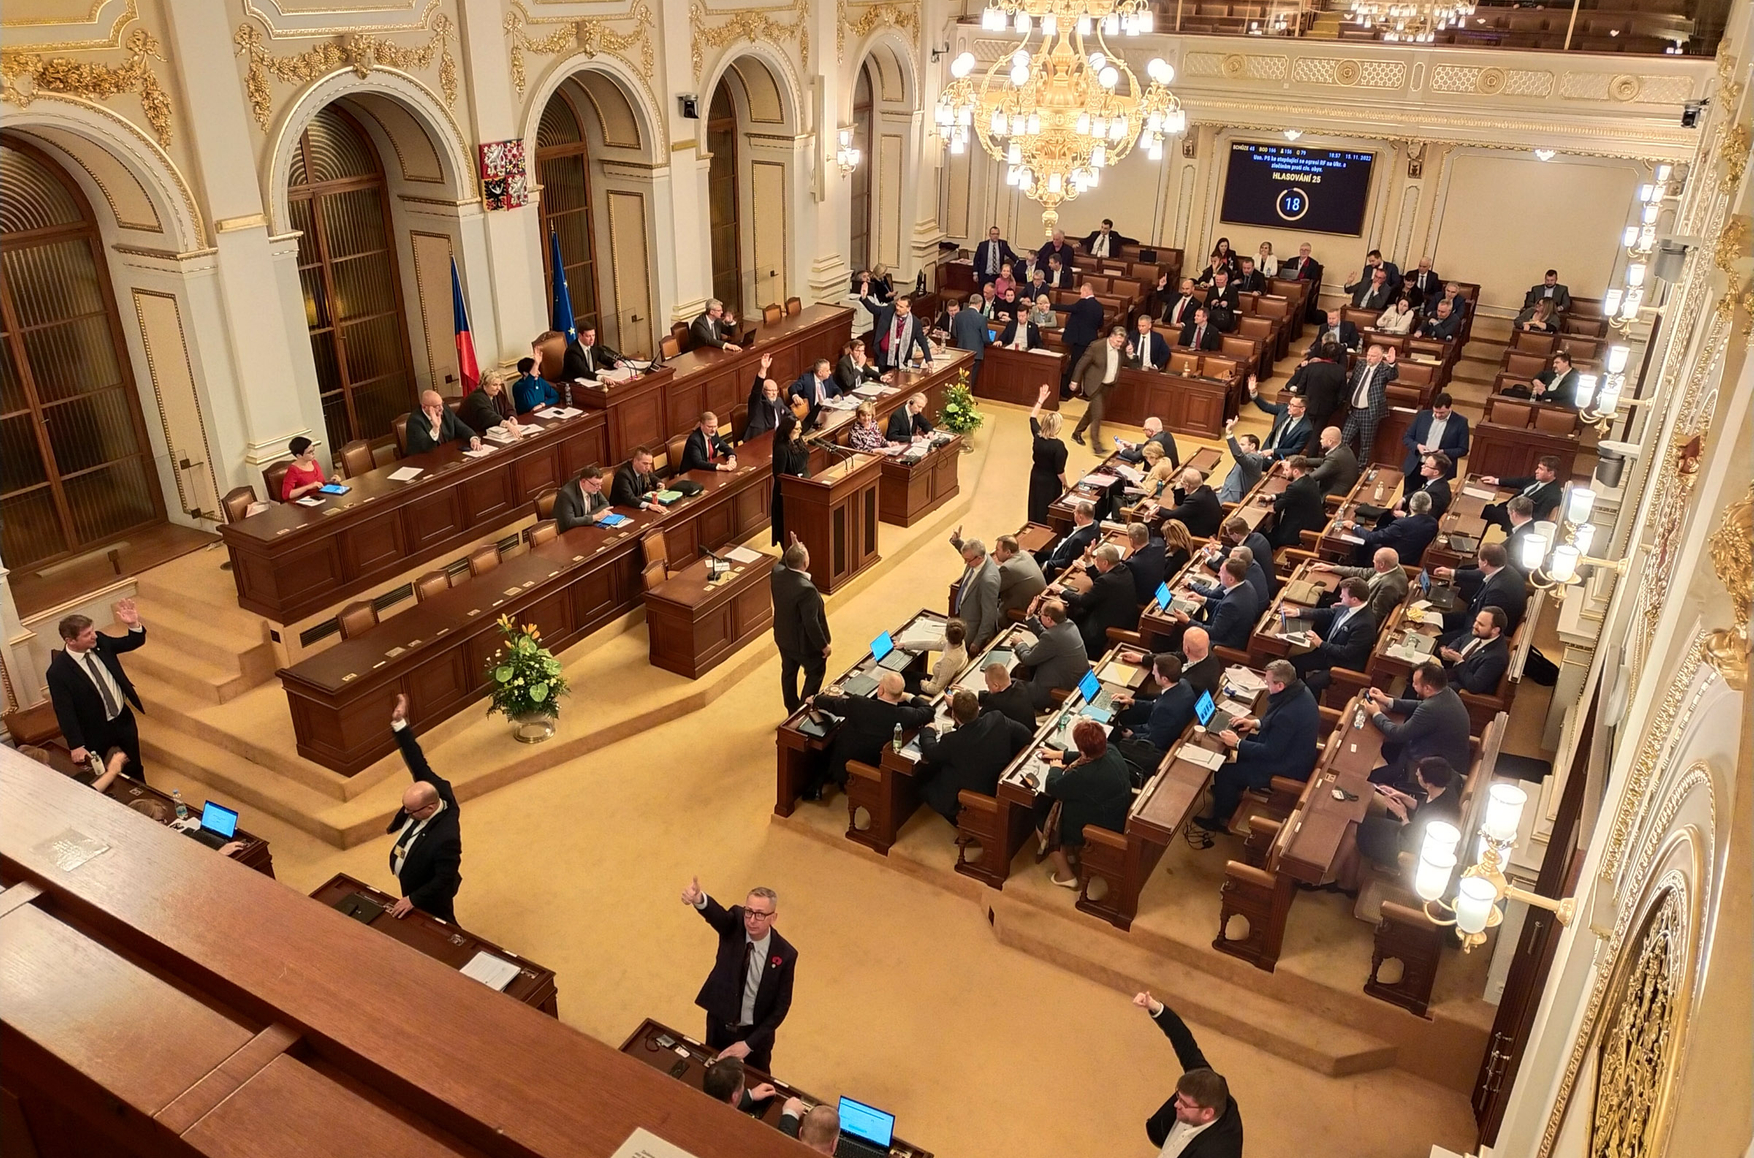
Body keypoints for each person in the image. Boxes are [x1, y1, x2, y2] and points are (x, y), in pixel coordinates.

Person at [679, 876, 796, 1072]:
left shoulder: (785, 954)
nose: (751, 920)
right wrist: (699, 898)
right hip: (719, 1025)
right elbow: (717, 916)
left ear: (773, 918)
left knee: (756, 1079)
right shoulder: (735, 924)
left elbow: (781, 1006)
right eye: (748, 911)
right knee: (714, 1074)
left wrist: (748, 1044)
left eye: (760, 914)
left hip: (754, 1036)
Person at [1193, 659, 1320, 832]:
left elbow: (1271, 752)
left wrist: (1237, 743)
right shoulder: (1300, 690)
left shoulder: (1289, 714)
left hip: (1285, 765)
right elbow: (1276, 720)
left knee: (1225, 772)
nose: (1266, 686)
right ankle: (1229, 794)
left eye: (1268, 683)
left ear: (1280, 685)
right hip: (1286, 749)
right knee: (1245, 743)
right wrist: (1254, 723)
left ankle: (1221, 820)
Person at [1331, 757, 1463, 897]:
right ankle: (1347, 881)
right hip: (1410, 832)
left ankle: (1340, 880)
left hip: (1407, 845)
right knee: (1357, 823)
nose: (1416, 774)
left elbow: (1414, 838)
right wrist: (1401, 795)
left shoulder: (1439, 814)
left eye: (1419, 775)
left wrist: (1402, 815)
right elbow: (1423, 807)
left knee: (1354, 828)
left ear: (1429, 784)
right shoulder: (1444, 789)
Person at [1134, 991, 1245, 1157]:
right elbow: (1183, 1041)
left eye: (1184, 1103)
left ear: (1207, 1113)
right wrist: (1154, 1006)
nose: (1176, 1105)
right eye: (1178, 1096)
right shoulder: (1206, 1082)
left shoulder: (1215, 1153)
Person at [384, 693, 462, 922]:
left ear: (429, 808)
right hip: (412, 876)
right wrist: (400, 723)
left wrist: (413, 899)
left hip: (430, 893)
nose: (406, 814)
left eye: (411, 811)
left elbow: (444, 878)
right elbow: (415, 758)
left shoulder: (447, 837)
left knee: (442, 923)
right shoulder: (433, 786)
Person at [48, 602, 147, 780]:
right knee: (100, 774)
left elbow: (132, 642)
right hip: (94, 730)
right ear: (70, 641)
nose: (94, 635)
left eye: (92, 630)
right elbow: (64, 710)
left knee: (135, 767)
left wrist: (133, 624)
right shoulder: (58, 672)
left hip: (123, 719)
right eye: (87, 634)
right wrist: (76, 744)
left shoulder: (100, 641)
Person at [1036, 719, 1131, 886]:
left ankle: (1066, 876)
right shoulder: (1111, 750)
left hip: (1099, 823)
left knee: (1043, 823)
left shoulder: (1085, 775)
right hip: (1114, 810)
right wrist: (1060, 755)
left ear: (1082, 748)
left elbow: (1053, 787)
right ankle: (1070, 854)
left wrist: (1055, 768)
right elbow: (1085, 755)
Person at [916, 689, 1033, 824]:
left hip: (972, 793)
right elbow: (1026, 735)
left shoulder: (952, 741)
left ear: (954, 715)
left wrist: (928, 731)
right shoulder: (997, 719)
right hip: (993, 778)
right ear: (978, 709)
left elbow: (931, 752)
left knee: (923, 785)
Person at [807, 672, 933, 793]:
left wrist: (815, 699)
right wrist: (907, 696)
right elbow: (928, 710)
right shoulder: (905, 715)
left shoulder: (859, 704)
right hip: (876, 760)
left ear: (880, 690)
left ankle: (819, 784)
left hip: (847, 761)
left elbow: (833, 705)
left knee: (830, 737)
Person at [1365, 662, 1472, 791]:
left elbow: (1398, 734)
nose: (1412, 686)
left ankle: (1397, 779)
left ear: (1427, 688)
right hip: (1430, 751)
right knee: (1388, 747)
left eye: (1415, 683)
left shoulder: (1431, 708)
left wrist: (1376, 714)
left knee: (1369, 778)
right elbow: (1420, 705)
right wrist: (1387, 701)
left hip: (1432, 770)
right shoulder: (1446, 693)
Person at [1286, 577, 1378, 691]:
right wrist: (1299, 612)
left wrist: (1320, 643)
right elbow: (1329, 613)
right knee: (1294, 663)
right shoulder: (1349, 606)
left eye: (1344, 596)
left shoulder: (1364, 625)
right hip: (1329, 652)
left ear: (1354, 599)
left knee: (1312, 683)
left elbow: (1347, 653)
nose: (1340, 596)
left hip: (1342, 663)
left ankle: (1307, 697)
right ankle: (1298, 692)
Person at [772, 540, 830, 712]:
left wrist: (793, 549)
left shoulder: (777, 573)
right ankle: (802, 712)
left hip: (783, 637)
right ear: (805, 563)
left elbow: (785, 562)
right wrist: (823, 645)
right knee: (815, 672)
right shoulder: (807, 590)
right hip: (804, 646)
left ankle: (791, 710)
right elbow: (811, 622)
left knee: (788, 672)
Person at [1110, 652, 1198, 764]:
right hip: (1163, 726)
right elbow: (1155, 704)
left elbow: (1155, 740)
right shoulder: (1183, 684)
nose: (1152, 673)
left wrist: (1132, 736)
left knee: (1114, 734)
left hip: (1157, 741)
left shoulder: (1165, 709)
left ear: (1164, 679)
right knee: (1126, 715)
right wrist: (1132, 701)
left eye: (1155, 672)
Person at [1056, 543, 1139, 654]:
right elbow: (1102, 579)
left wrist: (1062, 591)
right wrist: (1088, 561)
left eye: (1097, 560)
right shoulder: (1123, 569)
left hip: (1103, 628)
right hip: (1123, 618)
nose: (1096, 561)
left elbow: (1083, 601)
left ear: (1105, 563)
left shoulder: (1105, 581)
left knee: (1070, 620)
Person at [1435, 541, 1528, 632]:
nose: (1478, 561)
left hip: (1476, 628)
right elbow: (1480, 574)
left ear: (1485, 563)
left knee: (1438, 638)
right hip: (1472, 615)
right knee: (1437, 619)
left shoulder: (1497, 592)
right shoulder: (1503, 568)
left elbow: (1485, 624)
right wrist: (1451, 572)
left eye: (1479, 559)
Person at [1014, 598, 1090, 708]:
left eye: (1040, 613)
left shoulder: (1052, 637)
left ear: (1049, 619)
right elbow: (1048, 636)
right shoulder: (1070, 625)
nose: (1039, 615)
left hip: (1055, 690)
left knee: (1010, 686)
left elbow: (1028, 659)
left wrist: (1019, 643)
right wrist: (1030, 617)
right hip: (1072, 679)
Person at [1172, 557, 1259, 652]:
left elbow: (1213, 633)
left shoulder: (1232, 604)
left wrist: (1187, 620)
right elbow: (1222, 604)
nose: (1218, 574)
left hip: (1225, 643)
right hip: (1231, 632)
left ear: (1231, 579)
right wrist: (1202, 599)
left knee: (1185, 636)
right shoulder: (1246, 585)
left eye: (1222, 572)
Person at [1312, 547, 1408, 623]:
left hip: (1359, 612)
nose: (1373, 562)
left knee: (1324, 603)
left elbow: (1375, 615)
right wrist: (1332, 568)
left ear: (1382, 564)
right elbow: (1362, 572)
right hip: (1356, 598)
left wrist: (1349, 606)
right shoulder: (1392, 566)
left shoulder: (1389, 586)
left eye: (1374, 561)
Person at [1349, 489, 1439, 568]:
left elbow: (1372, 538)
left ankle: (1357, 566)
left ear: (1410, 505)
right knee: (1379, 528)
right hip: (1411, 556)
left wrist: (1354, 526)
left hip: (1392, 560)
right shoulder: (1433, 523)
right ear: (1430, 507)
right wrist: (1406, 516)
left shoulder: (1401, 525)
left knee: (1363, 544)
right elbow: (1416, 523)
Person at [1070, 327, 1128, 447]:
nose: (1120, 344)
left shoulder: (1121, 347)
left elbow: (1124, 361)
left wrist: (1131, 354)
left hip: (1108, 385)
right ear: (1111, 337)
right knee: (1098, 414)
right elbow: (1081, 364)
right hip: (1094, 384)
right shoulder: (1096, 346)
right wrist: (1075, 380)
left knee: (1091, 412)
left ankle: (1076, 433)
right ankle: (1096, 445)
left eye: (1121, 342)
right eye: (1118, 341)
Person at [948, 533, 1003, 650]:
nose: (965, 563)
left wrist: (978, 641)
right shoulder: (980, 556)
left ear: (979, 558)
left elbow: (989, 615)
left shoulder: (988, 580)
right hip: (962, 617)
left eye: (967, 560)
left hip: (972, 631)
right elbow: (969, 552)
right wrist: (957, 542)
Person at [1439, 606, 1511, 694]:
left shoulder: (1496, 658)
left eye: (1481, 624)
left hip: (1458, 686)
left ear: (1495, 630)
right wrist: (1450, 650)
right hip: (1449, 670)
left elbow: (1474, 685)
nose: (1475, 625)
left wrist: (1459, 661)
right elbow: (1460, 640)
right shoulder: (1480, 633)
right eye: (1476, 620)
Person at [1339, 345, 1393, 460]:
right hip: (1353, 410)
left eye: (1373, 356)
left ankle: (1361, 467)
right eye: (1368, 355)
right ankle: (1342, 463)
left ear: (1380, 358)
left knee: (1365, 445)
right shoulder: (1360, 364)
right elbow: (1352, 383)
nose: (1369, 358)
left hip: (1369, 412)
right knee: (1344, 439)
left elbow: (1393, 375)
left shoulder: (1383, 369)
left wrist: (1392, 363)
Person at [1286, 343, 1347, 445]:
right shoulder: (1340, 371)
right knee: (1316, 436)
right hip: (1326, 409)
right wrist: (1333, 407)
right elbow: (1342, 395)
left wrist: (1302, 404)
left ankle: (1292, 452)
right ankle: (1311, 454)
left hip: (1308, 405)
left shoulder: (1311, 367)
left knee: (1299, 432)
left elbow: (1301, 388)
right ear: (1337, 356)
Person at [1400, 394, 1470, 482]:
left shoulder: (1460, 422)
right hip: (1416, 465)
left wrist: (1443, 452)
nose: (1437, 415)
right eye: (1435, 412)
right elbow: (1407, 437)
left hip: (1439, 470)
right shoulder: (1423, 416)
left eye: (1441, 413)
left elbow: (1463, 449)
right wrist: (1418, 446)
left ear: (1449, 408)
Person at [1481, 456, 1564, 526]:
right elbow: (1519, 481)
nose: (1536, 471)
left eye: (1541, 469)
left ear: (1550, 473)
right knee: (1484, 507)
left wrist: (1517, 516)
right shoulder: (1537, 479)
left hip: (1516, 518)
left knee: (1484, 509)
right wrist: (1496, 481)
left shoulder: (1552, 495)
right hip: (1507, 508)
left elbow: (1539, 517)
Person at [1027, 388, 1070, 524]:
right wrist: (1066, 484)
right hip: (1050, 482)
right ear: (1057, 428)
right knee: (1047, 509)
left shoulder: (1037, 436)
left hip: (1036, 476)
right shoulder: (1058, 446)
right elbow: (1059, 471)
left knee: (1035, 505)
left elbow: (1032, 417)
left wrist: (1041, 400)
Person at [1267, 456, 1326, 551]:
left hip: (1302, 529)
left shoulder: (1295, 488)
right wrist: (1273, 496)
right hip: (1314, 522)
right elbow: (1288, 495)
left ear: (1295, 472)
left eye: (1286, 470)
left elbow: (1277, 506)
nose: (1284, 472)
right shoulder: (1309, 480)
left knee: (1271, 538)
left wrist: (1272, 501)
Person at [770, 414, 810, 546]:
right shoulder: (781, 449)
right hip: (786, 494)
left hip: (802, 488)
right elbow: (778, 475)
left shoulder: (797, 441)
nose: (800, 431)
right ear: (788, 430)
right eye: (797, 429)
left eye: (800, 428)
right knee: (787, 526)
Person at [1060, 284, 1106, 395]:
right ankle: (1086, 391)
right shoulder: (1099, 306)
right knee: (1088, 366)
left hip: (1080, 341)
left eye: (1081, 293)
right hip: (1092, 340)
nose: (1080, 295)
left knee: (1075, 365)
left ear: (1085, 291)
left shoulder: (1082, 303)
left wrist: (1050, 306)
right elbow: (1100, 324)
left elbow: (1068, 308)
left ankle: (1066, 391)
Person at [867, 295, 933, 370]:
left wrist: (929, 359)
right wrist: (864, 298)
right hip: (884, 356)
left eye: (901, 307)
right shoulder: (889, 310)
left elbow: (922, 341)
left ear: (908, 309)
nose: (897, 308)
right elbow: (875, 309)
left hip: (902, 359)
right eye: (897, 305)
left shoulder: (915, 323)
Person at [405, 390, 480, 455]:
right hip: (424, 460)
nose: (441, 408)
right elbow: (425, 447)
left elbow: (461, 427)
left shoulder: (445, 410)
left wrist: (473, 439)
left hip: (447, 454)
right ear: (424, 407)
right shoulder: (415, 421)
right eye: (437, 406)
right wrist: (435, 428)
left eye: (442, 404)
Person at [1249, 386, 1312, 462]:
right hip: (1265, 452)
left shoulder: (1306, 429)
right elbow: (1266, 407)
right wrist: (1253, 392)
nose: (1288, 407)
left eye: (1292, 405)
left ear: (1302, 409)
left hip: (1281, 460)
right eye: (1289, 404)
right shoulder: (1284, 410)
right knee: (1245, 461)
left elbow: (1295, 450)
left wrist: (1273, 451)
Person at [1042, 499, 1100, 578]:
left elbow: (1066, 562)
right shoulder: (1095, 524)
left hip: (1055, 561)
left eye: (1075, 512)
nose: (1073, 513)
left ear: (1080, 517)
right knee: (1038, 555)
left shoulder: (1078, 540)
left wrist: (1047, 564)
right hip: (1058, 552)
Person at [1390, 452, 1453, 521]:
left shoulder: (1436, 493)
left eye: (1426, 465)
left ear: (1435, 472)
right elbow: (1421, 490)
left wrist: (1404, 515)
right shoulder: (1438, 482)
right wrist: (1403, 499)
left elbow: (1426, 519)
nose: (1422, 466)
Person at [994, 533, 1048, 613]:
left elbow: (992, 588)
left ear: (1008, 552)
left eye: (997, 549)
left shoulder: (1008, 568)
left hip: (1019, 610)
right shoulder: (1024, 554)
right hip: (1037, 602)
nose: (995, 552)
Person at [1161, 467, 1222, 537]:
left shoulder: (1195, 499)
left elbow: (1172, 515)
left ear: (1187, 486)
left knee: (1165, 523)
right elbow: (1179, 502)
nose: (1180, 483)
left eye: (1181, 483)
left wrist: (1156, 507)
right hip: (1210, 527)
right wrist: (1179, 487)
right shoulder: (1206, 489)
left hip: (1199, 534)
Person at [1217, 422, 1267, 504]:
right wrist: (1222, 486)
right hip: (1227, 491)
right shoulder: (1250, 458)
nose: (1239, 447)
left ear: (1252, 446)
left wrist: (1229, 434)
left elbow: (1238, 455)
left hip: (1232, 498)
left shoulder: (1255, 460)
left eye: (1242, 444)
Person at [919, 619, 971, 697]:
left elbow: (938, 690)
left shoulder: (949, 660)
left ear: (946, 635)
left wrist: (924, 684)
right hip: (938, 680)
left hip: (936, 689)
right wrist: (905, 644)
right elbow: (934, 644)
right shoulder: (961, 643)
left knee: (907, 678)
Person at [978, 662, 1037, 728]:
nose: (988, 687)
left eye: (988, 684)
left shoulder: (995, 703)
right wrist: (977, 695)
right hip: (1031, 728)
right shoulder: (1018, 684)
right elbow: (994, 695)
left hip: (1019, 734)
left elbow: (976, 719)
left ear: (996, 685)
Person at [1122, 521, 1168, 605]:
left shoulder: (1132, 564)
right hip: (1159, 591)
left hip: (1144, 600)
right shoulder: (1160, 546)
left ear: (1131, 541)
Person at [460, 371, 518, 437]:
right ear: (484, 385)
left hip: (494, 433)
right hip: (472, 435)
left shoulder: (498, 394)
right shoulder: (476, 398)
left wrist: (511, 417)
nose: (498, 388)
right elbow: (488, 415)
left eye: (499, 385)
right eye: (494, 385)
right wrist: (506, 423)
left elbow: (508, 408)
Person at [553, 464, 610, 531]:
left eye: (600, 484)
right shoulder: (567, 494)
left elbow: (605, 504)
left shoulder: (593, 487)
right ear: (583, 482)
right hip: (570, 532)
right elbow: (570, 522)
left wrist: (590, 517)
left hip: (586, 527)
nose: (599, 488)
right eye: (596, 484)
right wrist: (594, 517)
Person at [945, 297, 990, 380]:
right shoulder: (982, 318)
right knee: (971, 379)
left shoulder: (958, 315)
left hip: (961, 352)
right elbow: (985, 339)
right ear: (980, 304)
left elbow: (954, 333)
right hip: (975, 354)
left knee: (960, 378)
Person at [744, 361, 789, 440]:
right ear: (763, 391)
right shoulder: (757, 402)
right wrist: (763, 370)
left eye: (775, 391)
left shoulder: (778, 400)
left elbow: (789, 413)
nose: (774, 393)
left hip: (776, 437)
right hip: (758, 438)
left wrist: (795, 421)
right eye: (771, 391)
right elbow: (756, 390)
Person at [788, 358, 839, 425]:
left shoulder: (828, 378)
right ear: (820, 373)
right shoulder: (806, 379)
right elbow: (792, 387)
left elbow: (836, 389)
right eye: (827, 370)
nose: (830, 372)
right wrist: (795, 396)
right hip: (812, 416)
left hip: (827, 412)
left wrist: (838, 395)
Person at [611, 446, 663, 511]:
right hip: (621, 509)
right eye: (645, 463)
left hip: (636, 506)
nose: (648, 467)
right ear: (635, 461)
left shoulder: (643, 470)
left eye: (650, 464)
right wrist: (649, 505)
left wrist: (659, 483)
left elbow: (652, 477)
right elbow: (629, 498)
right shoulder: (623, 475)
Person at [1117, 416, 1181, 469]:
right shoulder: (1167, 435)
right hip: (1172, 469)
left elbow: (1135, 457)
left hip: (1161, 474)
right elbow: (1146, 447)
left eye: (1145, 429)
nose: (1144, 431)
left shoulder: (1153, 441)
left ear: (1150, 431)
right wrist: (1132, 446)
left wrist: (1122, 449)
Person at [278, 435, 326, 501]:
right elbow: (287, 495)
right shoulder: (293, 470)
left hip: (321, 496)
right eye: (309, 452)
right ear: (299, 456)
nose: (313, 454)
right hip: (307, 501)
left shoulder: (314, 462)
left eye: (313, 450)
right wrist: (308, 487)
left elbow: (320, 483)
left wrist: (331, 482)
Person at [1502, 495, 1546, 566]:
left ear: (1514, 513)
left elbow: (1513, 562)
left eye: (1509, 514)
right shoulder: (1531, 525)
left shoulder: (1520, 537)